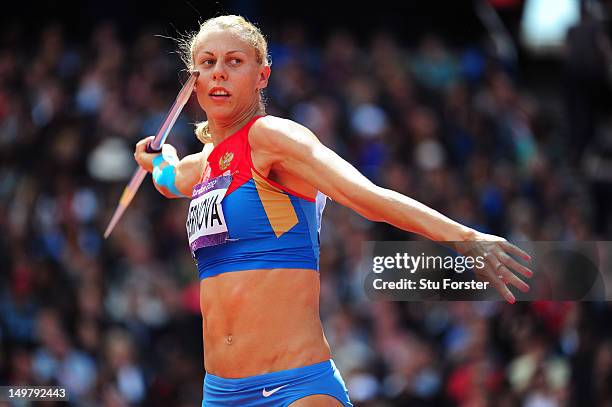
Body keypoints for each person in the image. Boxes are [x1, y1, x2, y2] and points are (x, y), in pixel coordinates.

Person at [133, 15, 532, 407]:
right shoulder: (203, 165)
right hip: (221, 394)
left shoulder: (271, 138)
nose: (218, 72)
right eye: (207, 63)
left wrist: (465, 237)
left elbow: (365, 196)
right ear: (193, 81)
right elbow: (170, 179)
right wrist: (156, 160)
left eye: (234, 61)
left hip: (293, 388)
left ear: (262, 76)